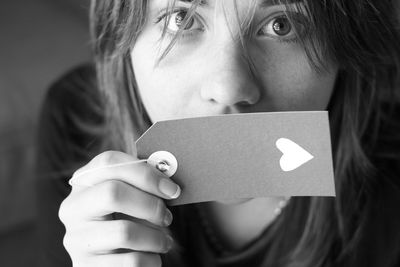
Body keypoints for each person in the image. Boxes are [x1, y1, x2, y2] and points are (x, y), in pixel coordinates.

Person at [35, 0, 400, 266]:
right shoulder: (73, 121)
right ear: (123, 37)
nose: (228, 88)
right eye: (182, 18)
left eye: (282, 24)